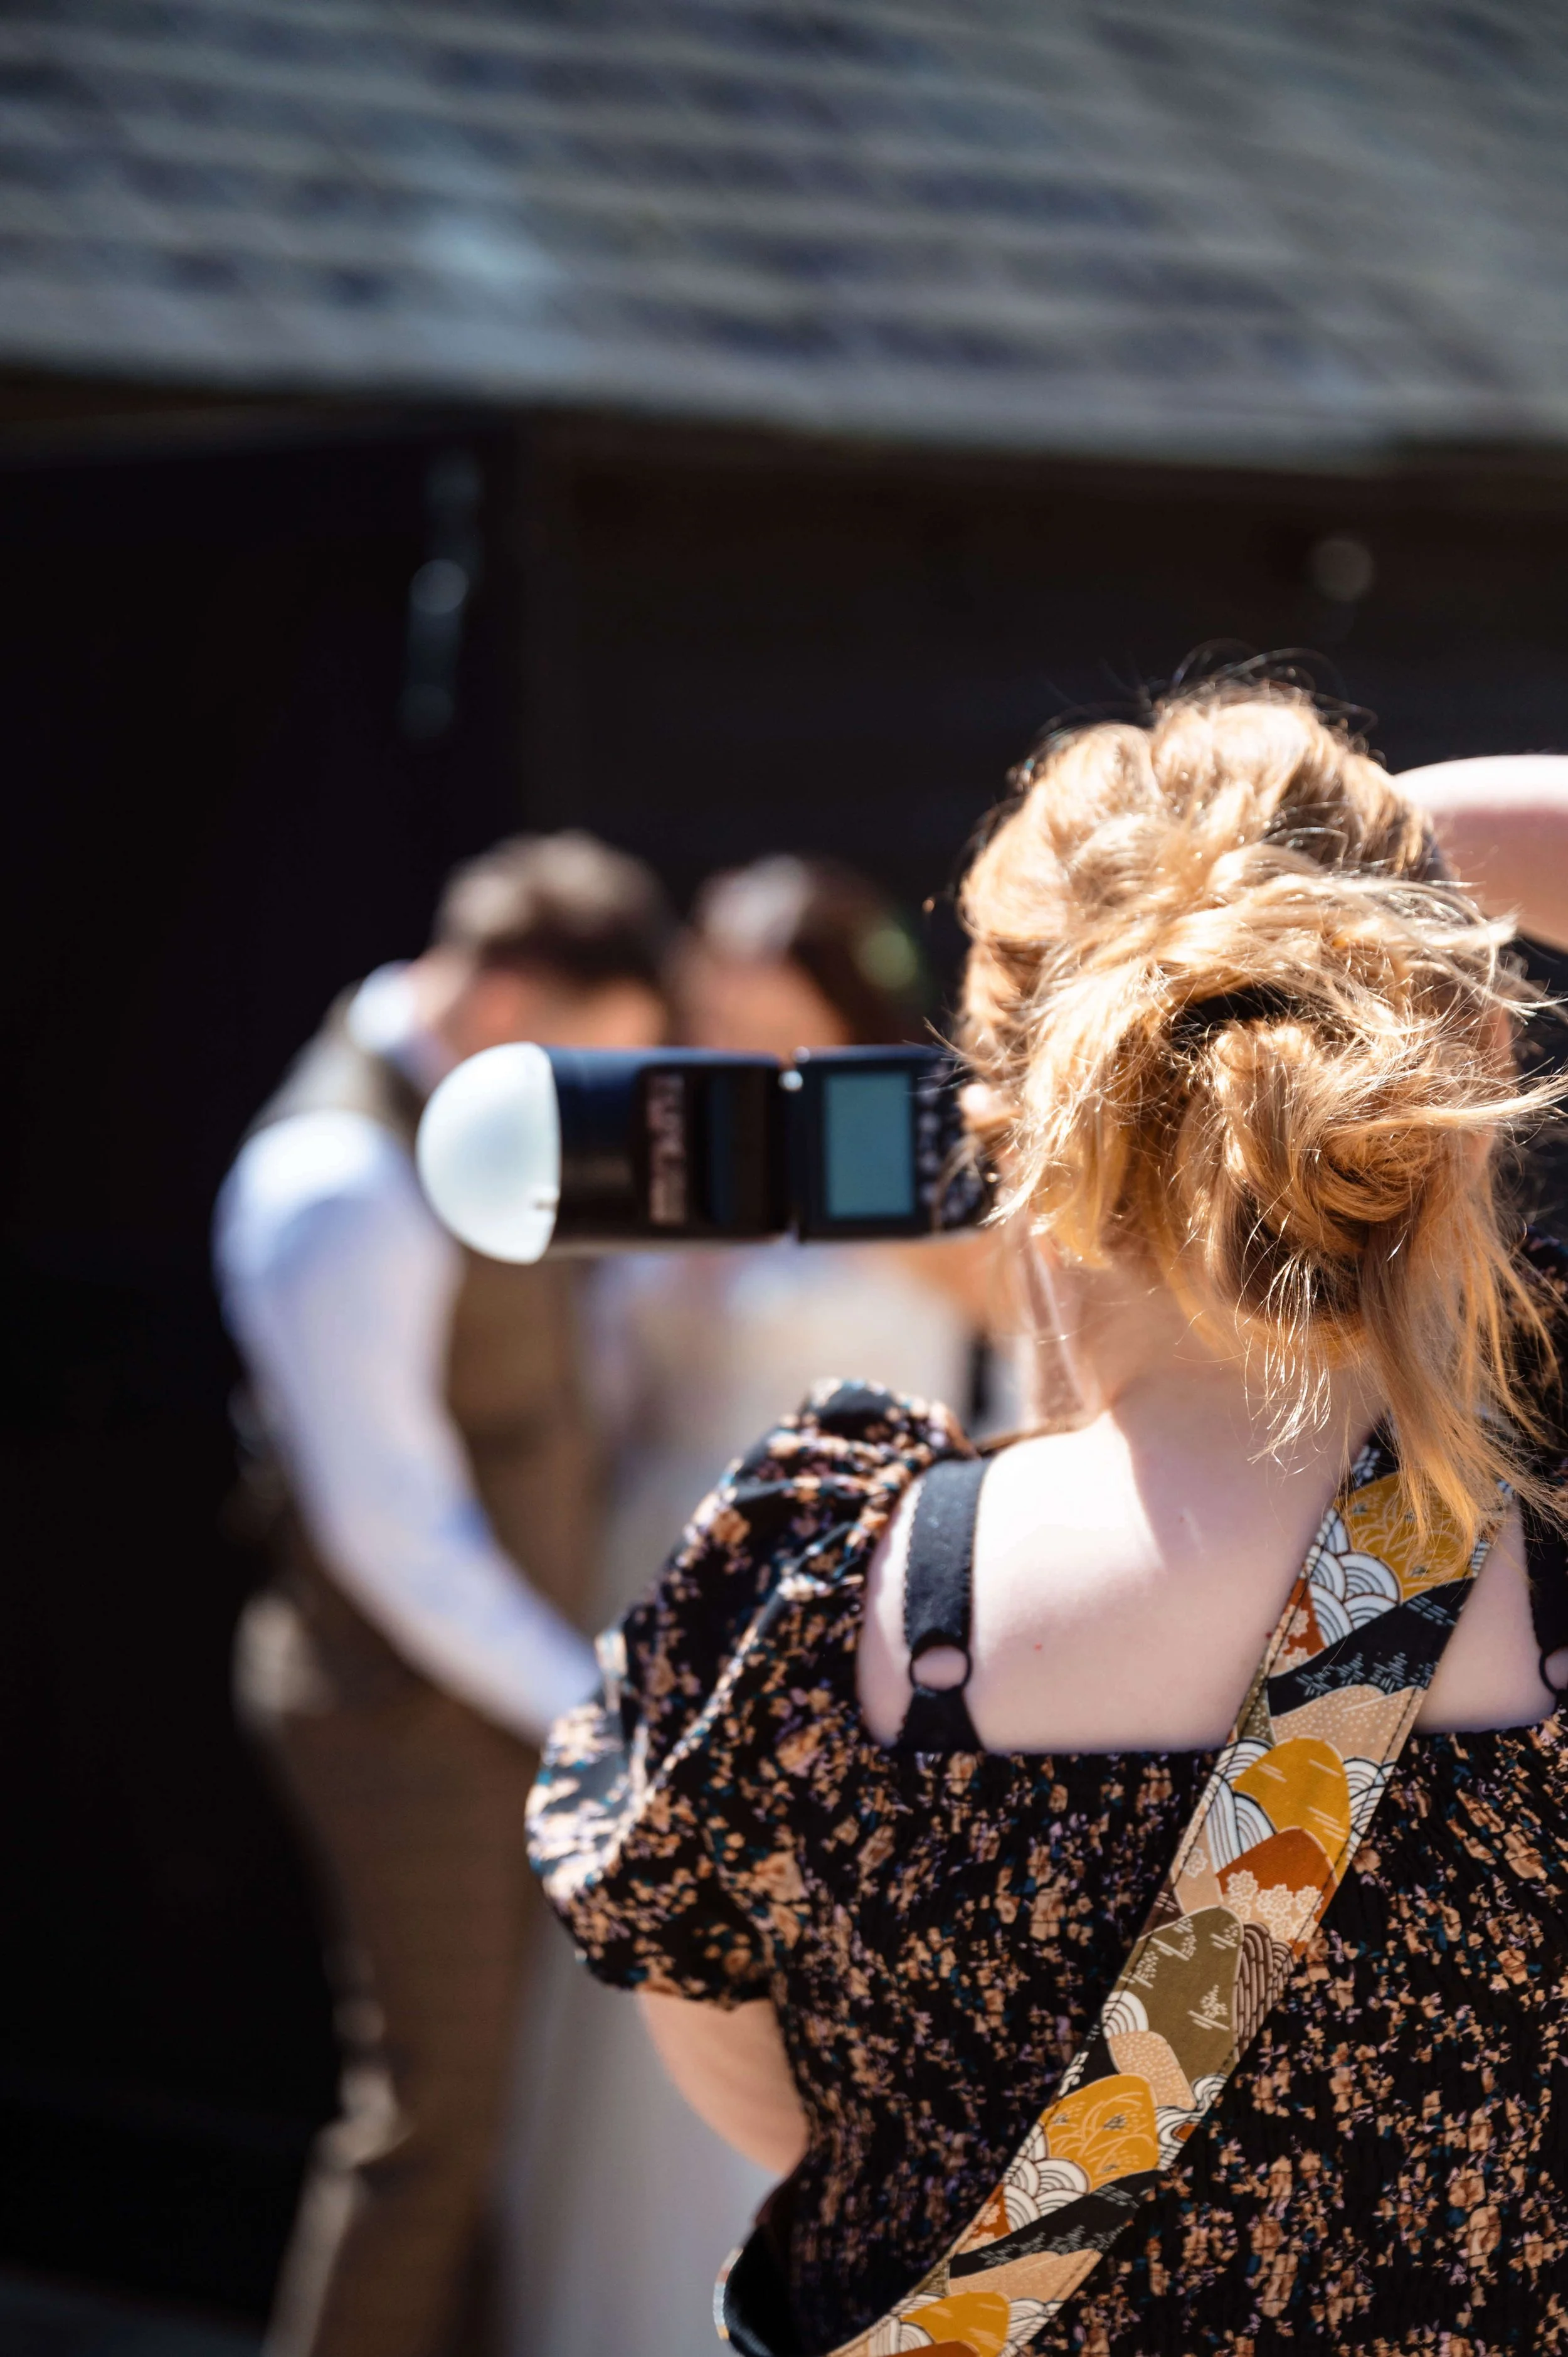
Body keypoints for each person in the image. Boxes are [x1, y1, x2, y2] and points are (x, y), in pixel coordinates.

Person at [527, 693, 1568, 2356]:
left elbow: (789, 2131)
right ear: (1452, 1073)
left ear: (998, 1137)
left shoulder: (806, 1596)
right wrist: (1396, 854)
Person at [509, 854, 1009, 2357]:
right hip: (645, 1592)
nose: (739, 1050)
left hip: (824, 1608)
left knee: (779, 1966)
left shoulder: (927, 1170)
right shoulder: (672, 1163)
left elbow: (1017, 1344)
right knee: (621, 1963)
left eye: (768, 1021)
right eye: (715, 1017)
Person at [215, 833, 669, 2357]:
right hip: (401, 1712)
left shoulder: (490, 1116)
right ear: (503, 993)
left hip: (510, 1685)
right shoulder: (337, 1179)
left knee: (500, 2126)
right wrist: (596, 1720)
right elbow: (392, 1535)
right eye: (573, 1060)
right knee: (431, 2127)